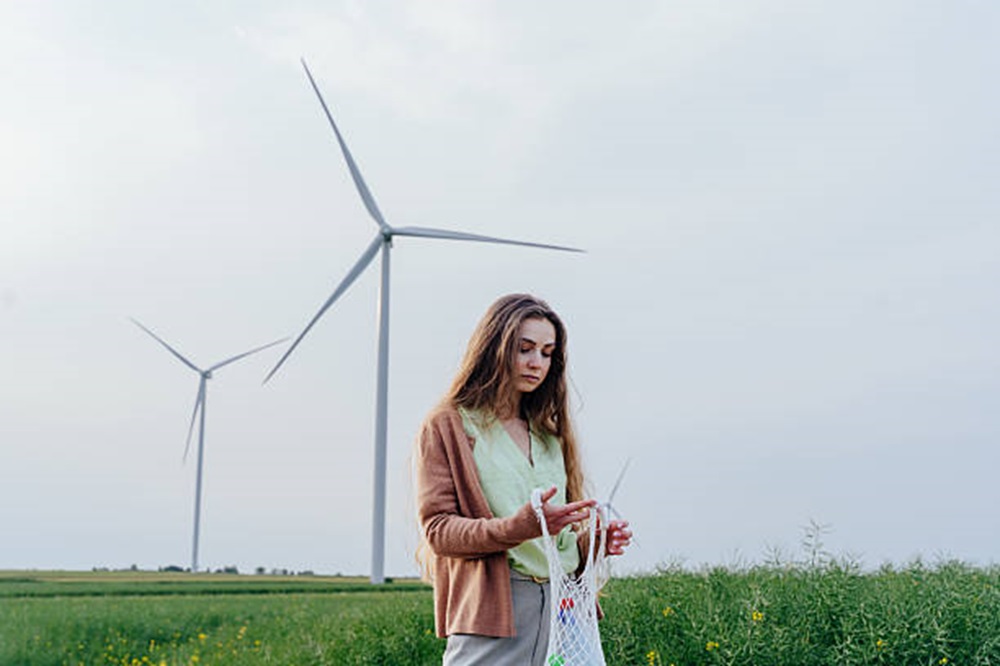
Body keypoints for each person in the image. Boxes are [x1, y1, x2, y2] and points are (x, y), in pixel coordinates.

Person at [415, 293, 632, 665]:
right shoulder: (450, 425)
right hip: (497, 610)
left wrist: (592, 542)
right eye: (525, 349)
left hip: (563, 612)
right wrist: (517, 528)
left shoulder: (550, 434)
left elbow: (558, 543)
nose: (537, 363)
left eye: (548, 353)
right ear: (494, 348)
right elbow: (438, 529)